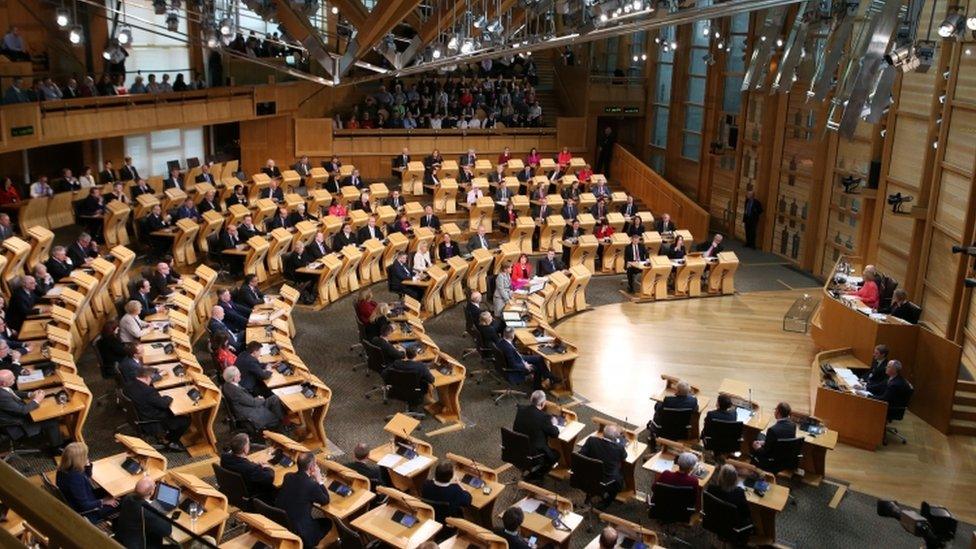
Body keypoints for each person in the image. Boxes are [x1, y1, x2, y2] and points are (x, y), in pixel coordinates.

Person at [124, 366, 191, 451]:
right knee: (185, 420)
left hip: (141, 413)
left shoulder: (129, 384)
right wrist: (169, 397)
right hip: (152, 420)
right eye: (150, 378)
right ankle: (170, 441)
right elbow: (164, 404)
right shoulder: (148, 391)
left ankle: (168, 439)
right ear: (146, 377)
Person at [275, 452, 332, 549]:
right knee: (328, 522)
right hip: (303, 533)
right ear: (311, 468)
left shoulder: (288, 476)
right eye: (315, 464)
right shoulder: (311, 485)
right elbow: (325, 500)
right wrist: (319, 480)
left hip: (284, 524)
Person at [0, 370, 64, 455]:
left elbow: (12, 393)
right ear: (3, 383)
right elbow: (22, 411)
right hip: (16, 425)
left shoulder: (2, 388)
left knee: (45, 412)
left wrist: (30, 394)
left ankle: (56, 441)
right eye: (11, 378)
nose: (15, 378)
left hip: (13, 415)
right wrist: (37, 400)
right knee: (51, 421)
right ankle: (56, 449)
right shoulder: (2, 396)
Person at [57, 442, 119, 523]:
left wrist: (87, 465)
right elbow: (85, 505)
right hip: (90, 511)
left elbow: (87, 476)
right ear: (79, 459)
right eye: (85, 455)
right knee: (123, 502)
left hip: (87, 497)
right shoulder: (75, 478)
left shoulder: (63, 469)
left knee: (114, 491)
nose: (87, 456)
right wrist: (103, 501)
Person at [513, 390, 560, 479]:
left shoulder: (521, 409)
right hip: (534, 454)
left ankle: (532, 471)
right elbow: (555, 434)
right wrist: (553, 424)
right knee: (556, 455)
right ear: (542, 403)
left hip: (518, 450)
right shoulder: (544, 417)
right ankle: (536, 475)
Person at [114, 477, 172, 548]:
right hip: (135, 545)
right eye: (154, 486)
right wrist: (160, 511)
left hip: (122, 536)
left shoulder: (128, 497)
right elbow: (167, 531)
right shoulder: (146, 511)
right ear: (151, 492)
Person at [579, 423, 627, 508]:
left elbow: (580, 455)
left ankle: (589, 496)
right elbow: (624, 456)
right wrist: (621, 441)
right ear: (616, 438)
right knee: (620, 479)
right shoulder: (618, 448)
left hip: (588, 476)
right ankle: (605, 504)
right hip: (607, 481)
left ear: (603, 433)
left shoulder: (591, 440)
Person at [220, 433, 277, 504]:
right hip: (252, 495)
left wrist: (254, 465)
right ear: (245, 449)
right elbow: (269, 478)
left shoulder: (224, 457)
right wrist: (267, 467)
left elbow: (242, 465)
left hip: (233, 490)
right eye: (248, 444)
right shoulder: (251, 468)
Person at [751, 402, 796, 471]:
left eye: (775, 410)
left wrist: (758, 447)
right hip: (782, 459)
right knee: (761, 436)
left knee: (755, 440)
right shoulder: (793, 425)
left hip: (770, 461)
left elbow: (766, 452)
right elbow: (777, 442)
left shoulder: (773, 430)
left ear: (777, 412)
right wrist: (764, 442)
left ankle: (753, 469)